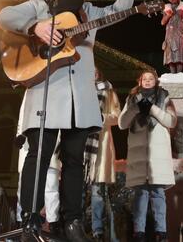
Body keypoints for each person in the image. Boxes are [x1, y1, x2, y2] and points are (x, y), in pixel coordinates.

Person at [0, 0, 137, 242]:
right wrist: (35, 27)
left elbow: (121, 9)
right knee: (39, 157)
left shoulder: (89, 13)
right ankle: (31, 220)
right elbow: (4, 16)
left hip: (81, 98)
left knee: (75, 162)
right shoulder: (40, 5)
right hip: (46, 92)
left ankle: (72, 222)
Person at [118, 70, 177, 242]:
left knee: (158, 192)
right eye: (145, 78)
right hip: (138, 153)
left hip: (157, 152)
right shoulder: (131, 99)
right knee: (141, 194)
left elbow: (171, 121)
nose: (148, 81)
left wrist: (152, 109)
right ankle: (139, 232)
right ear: (140, 81)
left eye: (151, 78)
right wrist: (136, 108)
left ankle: (161, 232)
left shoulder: (164, 97)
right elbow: (122, 123)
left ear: (156, 81)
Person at [86, 69, 122, 241]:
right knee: (76, 191)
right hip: (81, 145)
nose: (91, 73)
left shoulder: (108, 90)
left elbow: (117, 116)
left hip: (100, 144)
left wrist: (100, 117)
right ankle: (74, 226)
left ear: (99, 73)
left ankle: (97, 231)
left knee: (97, 192)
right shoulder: (80, 89)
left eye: (94, 70)